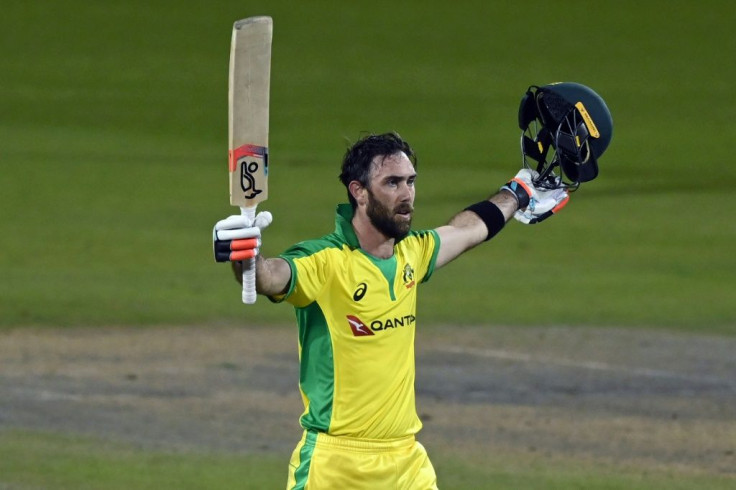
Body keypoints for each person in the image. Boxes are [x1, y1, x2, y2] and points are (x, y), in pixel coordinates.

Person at [213, 132, 569, 489]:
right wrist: (245, 255)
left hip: (405, 464)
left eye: (411, 181)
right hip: (336, 466)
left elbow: (470, 228)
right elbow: (270, 277)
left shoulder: (411, 253)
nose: (407, 194)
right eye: (392, 182)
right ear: (359, 191)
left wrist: (518, 192)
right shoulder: (326, 262)